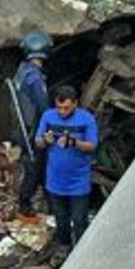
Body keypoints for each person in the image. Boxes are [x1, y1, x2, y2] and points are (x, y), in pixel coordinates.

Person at [33, 85, 99, 250]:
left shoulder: (87, 119)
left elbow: (92, 145)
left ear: (75, 104)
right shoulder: (48, 116)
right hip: (55, 180)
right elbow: (38, 141)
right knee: (61, 220)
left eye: (66, 108)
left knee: (79, 220)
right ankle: (64, 248)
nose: (62, 112)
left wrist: (74, 143)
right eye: (59, 107)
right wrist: (45, 140)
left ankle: (81, 252)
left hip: (79, 181)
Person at [11, 31, 52, 218]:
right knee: (35, 168)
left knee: (35, 167)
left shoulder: (22, 71)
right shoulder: (34, 77)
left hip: (23, 128)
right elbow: (43, 106)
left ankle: (38, 203)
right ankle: (25, 205)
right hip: (33, 129)